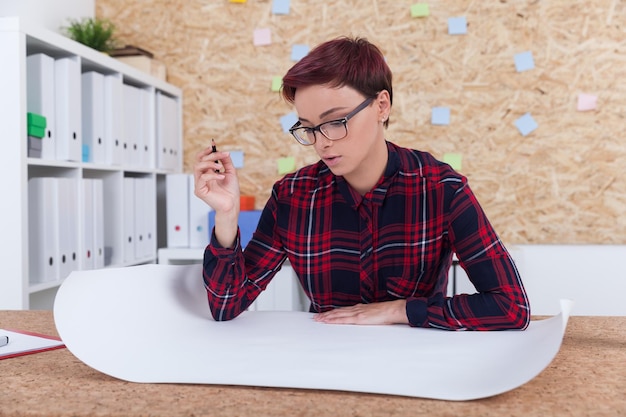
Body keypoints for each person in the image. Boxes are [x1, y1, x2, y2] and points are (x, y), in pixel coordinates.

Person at [193, 36, 530, 330]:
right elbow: (226, 305)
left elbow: (511, 307)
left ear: (381, 105)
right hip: (327, 366)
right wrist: (227, 215)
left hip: (418, 366)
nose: (321, 143)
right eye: (308, 128)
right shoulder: (292, 197)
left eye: (335, 122)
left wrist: (400, 310)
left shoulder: (441, 188)